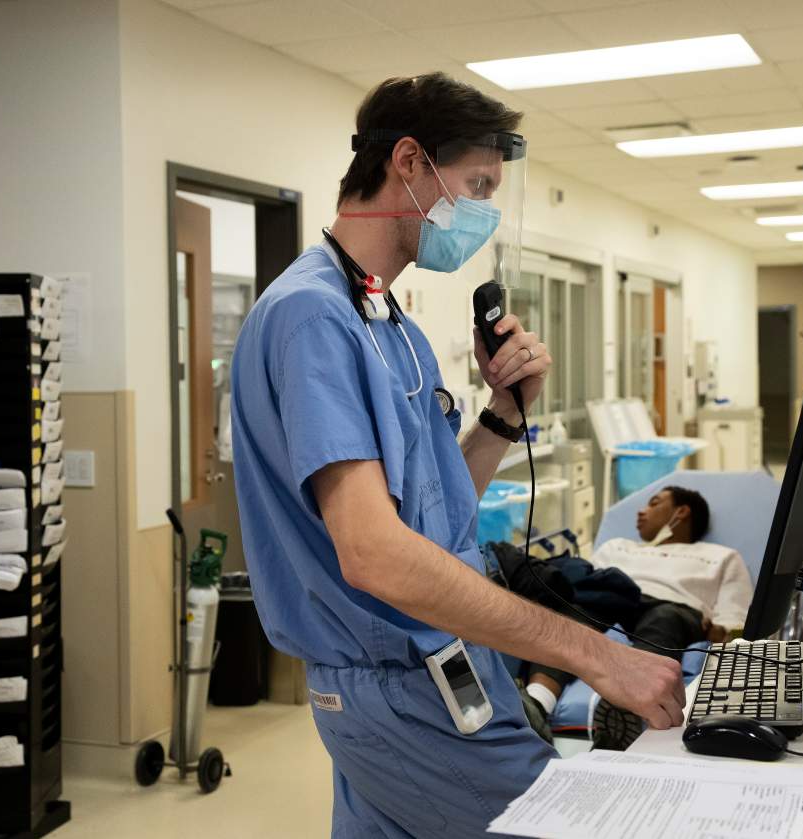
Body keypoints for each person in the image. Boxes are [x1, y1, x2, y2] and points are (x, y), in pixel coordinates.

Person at [229, 73, 685, 838]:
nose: (482, 212)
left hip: (431, 674)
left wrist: (503, 417)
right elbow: (375, 554)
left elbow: (433, 516)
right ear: (408, 162)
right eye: (475, 185)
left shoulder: (386, 321)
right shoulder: (312, 318)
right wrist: (598, 657)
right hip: (403, 689)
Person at [518, 486, 753, 750]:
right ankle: (537, 703)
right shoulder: (617, 546)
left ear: (682, 512)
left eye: (654, 503)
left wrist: (718, 632)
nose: (641, 511)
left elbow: (737, 622)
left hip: (674, 608)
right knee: (574, 616)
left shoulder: (721, 557)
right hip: (615, 598)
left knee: (664, 618)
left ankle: (624, 710)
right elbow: (586, 583)